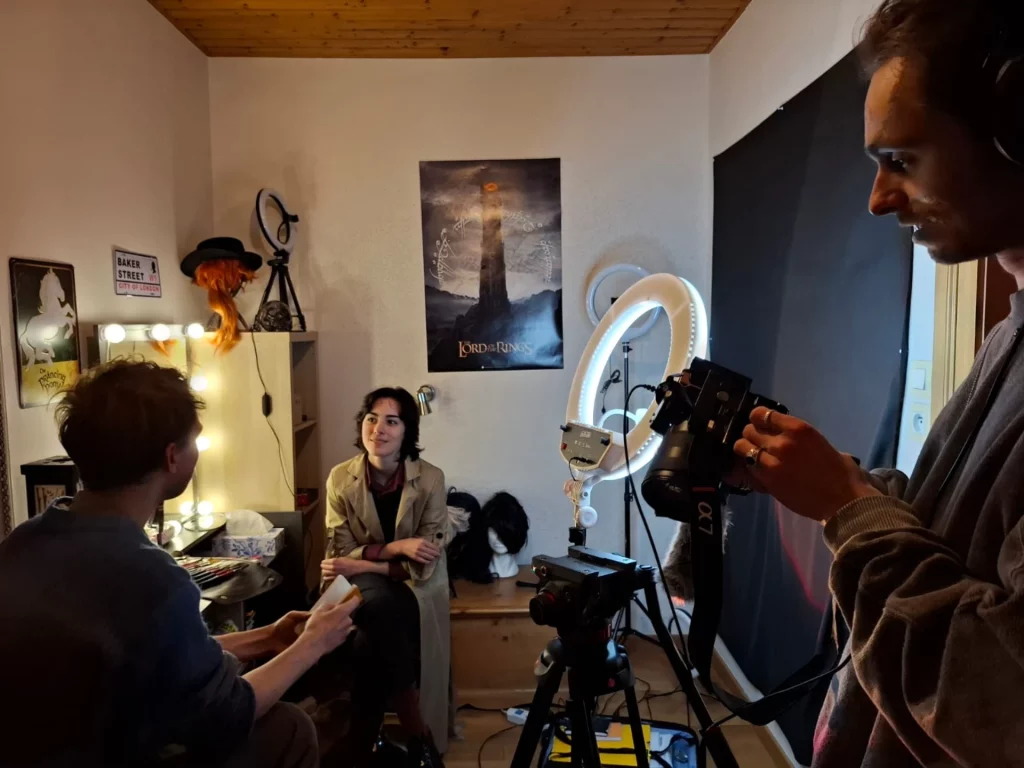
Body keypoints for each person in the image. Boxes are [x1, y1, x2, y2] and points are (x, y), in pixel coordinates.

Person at [731, 1, 1024, 765]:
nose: (879, 199)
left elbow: (1000, 696)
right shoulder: (1010, 336)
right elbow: (960, 548)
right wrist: (842, 485)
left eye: (903, 159)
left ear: (1017, 128)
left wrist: (848, 507)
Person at [0, 360, 357, 767]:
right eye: (195, 441)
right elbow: (226, 714)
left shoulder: (21, 543)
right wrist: (314, 645)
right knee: (288, 728)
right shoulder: (153, 580)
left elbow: (151, 657)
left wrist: (268, 637)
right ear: (172, 457)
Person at [321, 387, 450, 768]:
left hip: (417, 585)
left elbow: (423, 562)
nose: (379, 429)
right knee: (380, 611)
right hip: (367, 585)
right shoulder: (340, 478)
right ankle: (416, 734)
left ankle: (362, 737)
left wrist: (363, 563)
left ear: (407, 431)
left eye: (391, 421)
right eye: (371, 419)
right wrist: (395, 548)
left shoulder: (431, 479)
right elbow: (338, 554)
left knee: (373, 634)